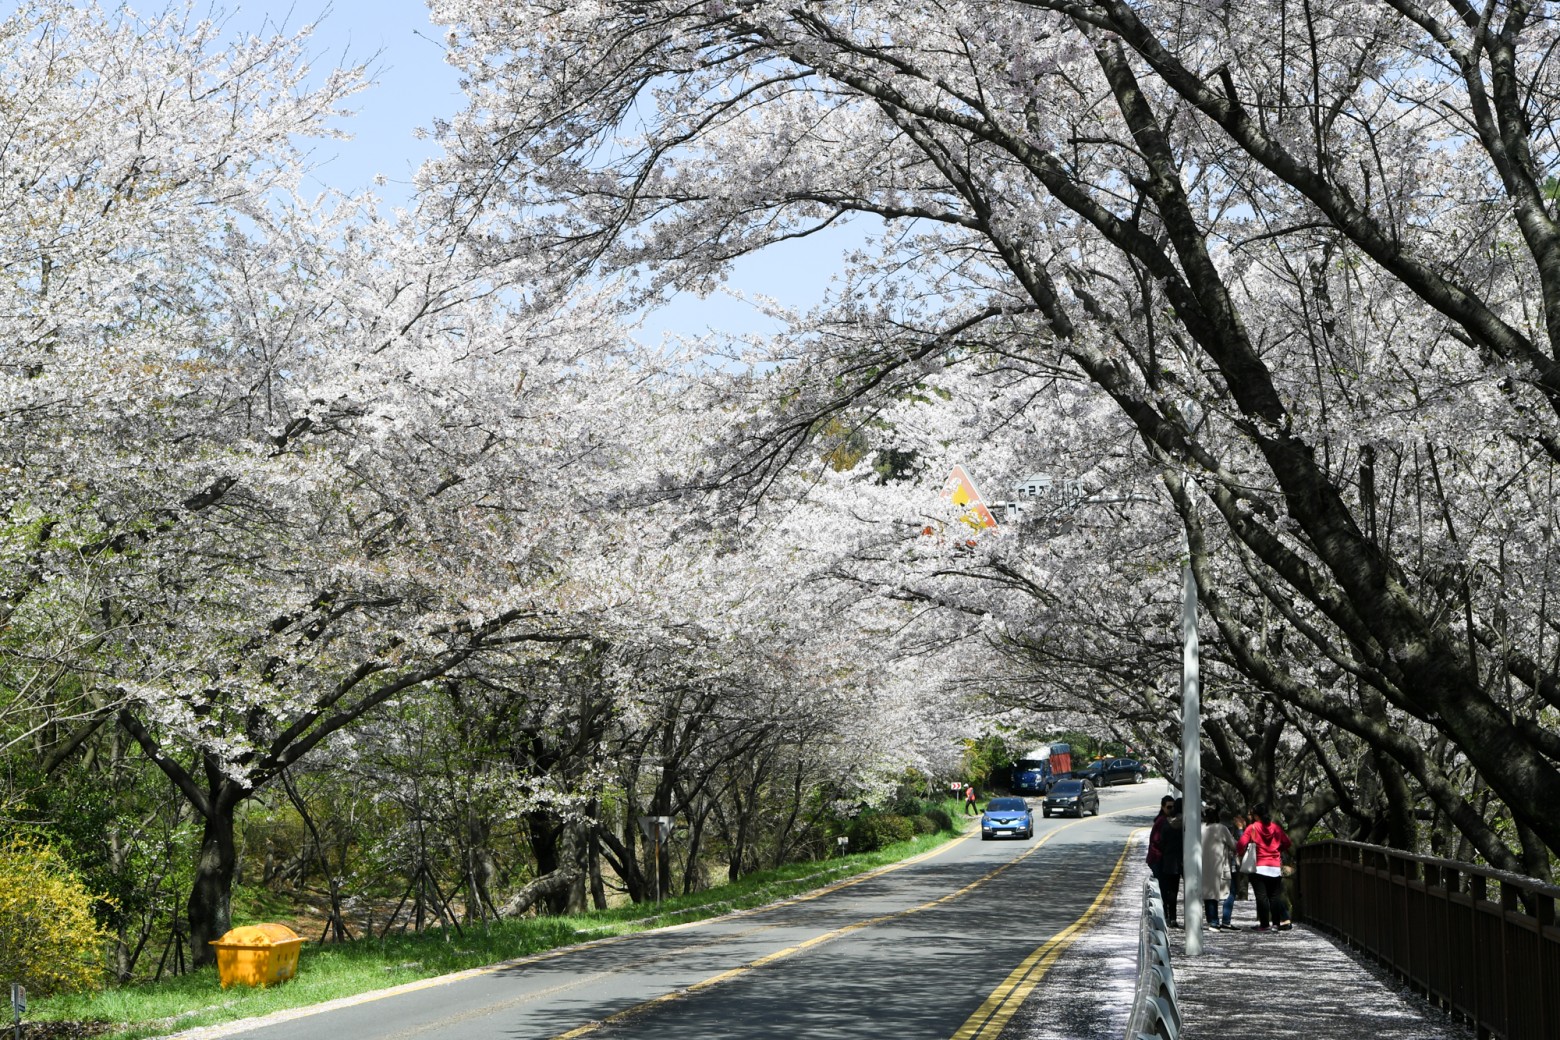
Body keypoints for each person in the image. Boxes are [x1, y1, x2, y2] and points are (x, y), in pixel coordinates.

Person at [1235, 802, 1293, 931]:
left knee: (1261, 897)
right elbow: (1287, 843)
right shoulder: (1276, 828)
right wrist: (1278, 850)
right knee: (1274, 897)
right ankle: (1276, 924)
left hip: (1259, 867)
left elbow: (1240, 845)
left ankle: (1265, 924)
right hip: (1274, 867)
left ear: (1256, 816)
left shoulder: (1252, 828)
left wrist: (1240, 853)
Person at [1146, 796, 1184, 926]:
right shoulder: (1163, 822)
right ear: (1163, 807)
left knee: (1168, 890)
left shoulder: (1167, 821)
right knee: (1166, 890)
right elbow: (1157, 841)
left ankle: (1168, 917)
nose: (1171, 809)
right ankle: (1167, 917)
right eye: (1169, 807)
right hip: (1160, 859)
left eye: (1173, 807)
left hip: (1165, 859)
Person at [1201, 806, 1237, 929]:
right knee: (1230, 892)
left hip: (1203, 865)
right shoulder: (1221, 829)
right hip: (1219, 865)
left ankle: (1212, 920)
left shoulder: (1200, 828)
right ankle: (1224, 921)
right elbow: (1234, 845)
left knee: (1208, 893)